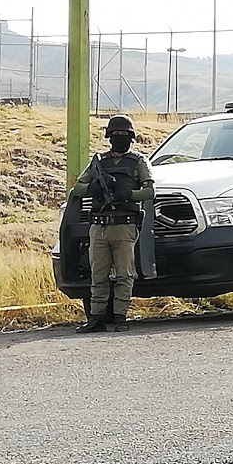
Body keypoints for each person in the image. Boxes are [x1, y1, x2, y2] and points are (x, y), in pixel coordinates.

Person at [69, 114, 155, 333]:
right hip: (99, 227)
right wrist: (93, 189)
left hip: (125, 226)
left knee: (125, 274)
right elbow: (77, 188)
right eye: (116, 134)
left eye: (124, 134)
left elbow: (149, 192)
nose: (120, 137)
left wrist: (128, 194)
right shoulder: (99, 162)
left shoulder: (138, 161)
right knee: (98, 275)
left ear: (131, 137)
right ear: (109, 136)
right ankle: (96, 318)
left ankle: (120, 317)